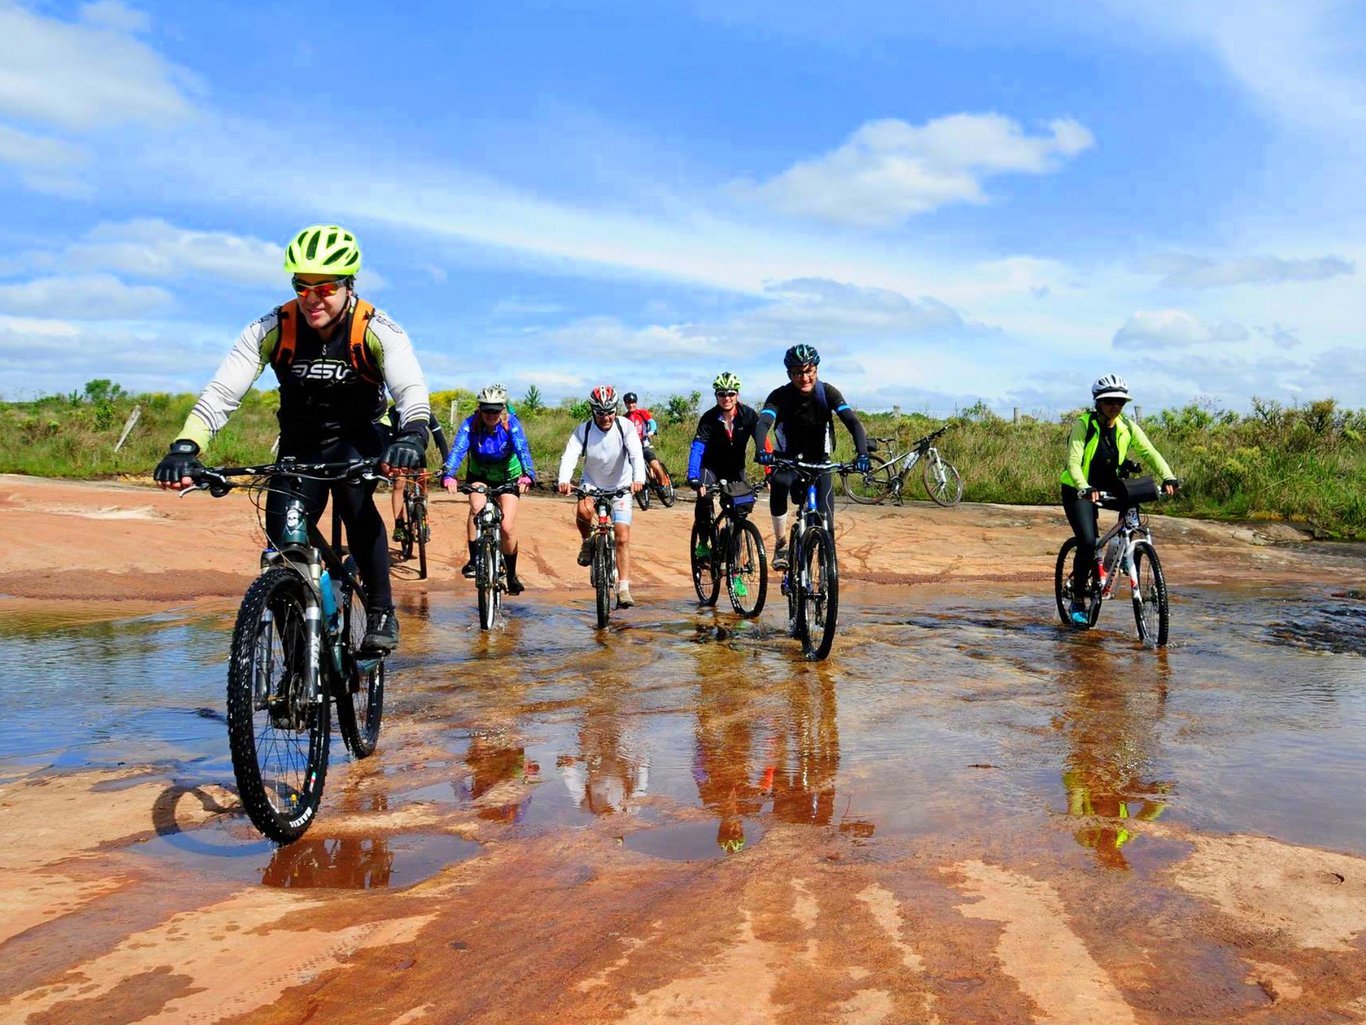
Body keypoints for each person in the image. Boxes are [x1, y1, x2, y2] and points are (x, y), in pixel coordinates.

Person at [153, 224, 431, 650]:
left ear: (348, 285)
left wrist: (412, 436)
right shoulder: (272, 327)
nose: (312, 298)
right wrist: (187, 445)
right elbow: (223, 393)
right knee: (284, 546)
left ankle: (380, 609)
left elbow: (410, 391)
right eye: (302, 287)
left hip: (359, 440)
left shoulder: (377, 328)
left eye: (325, 288)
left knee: (357, 505)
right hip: (300, 446)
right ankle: (297, 667)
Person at [1060, 374, 1179, 624]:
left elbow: (1149, 451)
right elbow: (1073, 462)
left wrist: (1168, 477)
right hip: (1078, 488)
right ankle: (1079, 599)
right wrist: (1083, 486)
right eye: (1109, 401)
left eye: (1120, 402)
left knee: (1134, 505)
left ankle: (1122, 553)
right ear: (1098, 403)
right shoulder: (1084, 424)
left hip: (1107, 484)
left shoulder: (1127, 426)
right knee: (1088, 541)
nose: (1114, 406)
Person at [753, 345, 870, 570]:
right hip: (788, 460)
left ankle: (827, 578)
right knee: (779, 483)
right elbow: (764, 422)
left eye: (809, 371)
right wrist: (761, 449)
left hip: (819, 460)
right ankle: (781, 543)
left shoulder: (828, 393)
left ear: (816, 369)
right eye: (798, 373)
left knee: (827, 524)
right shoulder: (780, 395)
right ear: (789, 374)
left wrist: (862, 453)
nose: (804, 378)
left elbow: (853, 422)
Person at [440, 384, 536, 594]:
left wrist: (528, 475)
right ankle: (475, 561)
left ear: (502, 409)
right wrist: (449, 474)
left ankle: (511, 575)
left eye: (496, 410)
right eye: (487, 409)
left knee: (507, 527)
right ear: (480, 409)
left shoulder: (511, 425)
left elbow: (522, 448)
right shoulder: (470, 424)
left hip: (508, 476)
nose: (491, 414)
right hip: (480, 475)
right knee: (476, 508)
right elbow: (458, 450)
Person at [556, 385, 645, 608]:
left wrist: (639, 478)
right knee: (583, 510)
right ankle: (587, 542)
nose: (605, 417)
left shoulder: (625, 427)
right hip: (592, 484)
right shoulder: (583, 430)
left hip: (621, 486)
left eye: (610, 412)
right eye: (600, 412)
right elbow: (570, 455)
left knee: (622, 537)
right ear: (593, 411)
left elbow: (636, 453)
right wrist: (564, 479)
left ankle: (623, 587)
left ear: (616, 410)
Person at [685, 371, 762, 558]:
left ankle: (734, 572)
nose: (726, 398)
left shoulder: (748, 415)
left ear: (737, 394)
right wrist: (693, 476)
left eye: (730, 393)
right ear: (716, 395)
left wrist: (770, 469)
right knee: (704, 498)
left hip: (735, 469)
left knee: (739, 514)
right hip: (710, 467)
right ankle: (703, 542)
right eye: (721, 394)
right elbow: (697, 448)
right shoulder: (709, 419)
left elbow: (763, 443)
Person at [386, 407, 449, 546]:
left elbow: (439, 438)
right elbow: (388, 437)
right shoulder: (394, 412)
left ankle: (423, 516)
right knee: (399, 484)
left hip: (418, 452)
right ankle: (399, 525)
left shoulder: (423, 410)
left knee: (422, 480)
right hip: (399, 452)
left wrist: (447, 463)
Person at [623, 392, 670, 489]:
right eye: (628, 403)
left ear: (636, 402)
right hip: (631, 448)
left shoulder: (642, 413)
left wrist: (652, 431)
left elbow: (651, 422)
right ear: (625, 404)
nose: (631, 405)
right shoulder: (624, 418)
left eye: (633, 402)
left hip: (644, 445)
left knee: (655, 465)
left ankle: (663, 484)